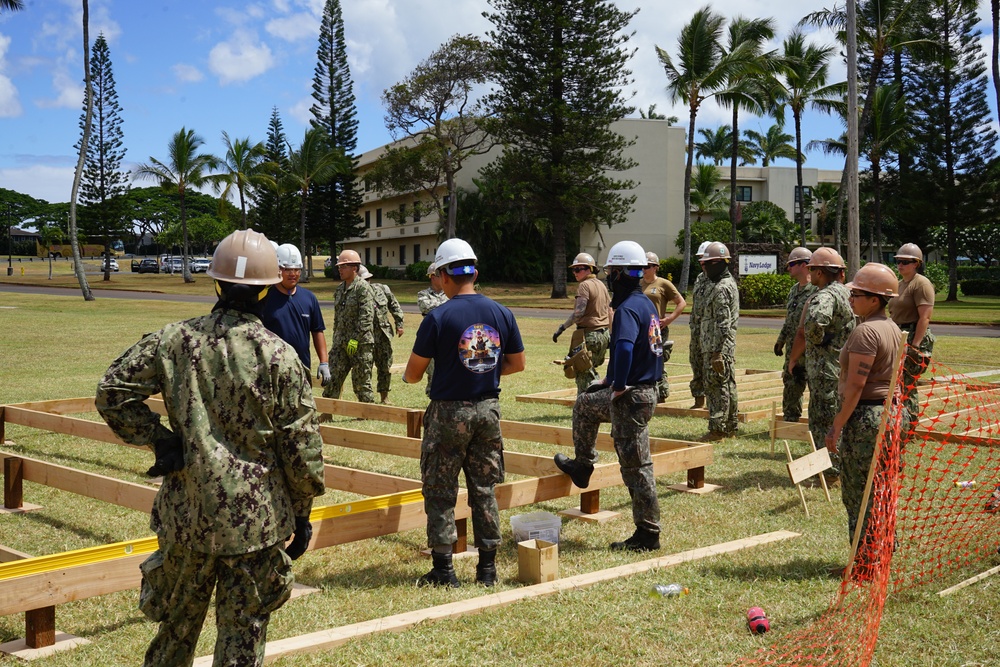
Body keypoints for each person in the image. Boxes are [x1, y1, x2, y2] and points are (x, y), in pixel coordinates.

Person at [95, 229, 326, 667]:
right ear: (265, 290)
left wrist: (161, 439)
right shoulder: (279, 356)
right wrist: (302, 511)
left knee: (174, 635)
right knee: (243, 639)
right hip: (256, 526)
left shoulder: (173, 341)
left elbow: (112, 392)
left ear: (216, 284)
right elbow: (301, 446)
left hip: (187, 519)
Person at [403, 238, 526, 587]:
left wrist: (453, 370)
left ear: (443, 275)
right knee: (484, 488)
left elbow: (413, 374)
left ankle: (444, 571)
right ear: (474, 271)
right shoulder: (501, 313)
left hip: (448, 413)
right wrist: (480, 368)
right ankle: (487, 569)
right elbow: (517, 363)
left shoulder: (438, 317)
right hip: (489, 410)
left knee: (441, 488)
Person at [553, 240, 663, 552]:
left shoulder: (628, 308)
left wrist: (618, 385)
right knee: (586, 403)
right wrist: (607, 380)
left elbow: (626, 348)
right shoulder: (644, 304)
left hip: (632, 397)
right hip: (640, 391)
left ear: (619, 274)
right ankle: (583, 465)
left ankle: (648, 534)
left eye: (611, 271)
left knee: (636, 467)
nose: (609, 277)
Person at [825, 263, 901, 576]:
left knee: (860, 492)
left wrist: (837, 425)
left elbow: (856, 385)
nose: (851, 298)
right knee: (882, 486)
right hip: (888, 412)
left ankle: (864, 563)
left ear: (875, 300)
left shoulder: (866, 332)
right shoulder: (892, 327)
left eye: (857, 294)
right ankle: (882, 552)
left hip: (867, 417)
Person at [789, 247, 855, 481]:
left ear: (818, 272)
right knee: (838, 417)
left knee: (822, 420)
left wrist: (819, 339)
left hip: (825, 370)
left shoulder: (824, 296)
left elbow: (815, 324)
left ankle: (830, 470)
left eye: (813, 269)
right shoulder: (848, 293)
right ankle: (838, 466)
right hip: (843, 368)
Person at [261, 243, 330, 386]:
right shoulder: (264, 298)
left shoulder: (309, 298)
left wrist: (324, 362)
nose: (293, 274)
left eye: (297, 269)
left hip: (301, 369)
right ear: (277, 269)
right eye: (288, 269)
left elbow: (317, 331)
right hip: (271, 371)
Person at [888, 243, 935, 423]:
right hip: (898, 336)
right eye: (898, 260)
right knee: (896, 382)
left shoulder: (921, 284)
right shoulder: (899, 284)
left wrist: (915, 345)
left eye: (905, 262)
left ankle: (909, 424)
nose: (900, 265)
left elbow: (925, 317)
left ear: (916, 263)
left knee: (906, 383)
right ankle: (901, 422)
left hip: (913, 335)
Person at [552, 252, 612, 394]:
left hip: (590, 335)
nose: (575, 273)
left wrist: (562, 328)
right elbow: (611, 310)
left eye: (578, 269)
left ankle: (589, 405)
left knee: (583, 372)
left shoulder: (584, 286)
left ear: (589, 269)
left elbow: (578, 313)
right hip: (604, 335)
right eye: (573, 269)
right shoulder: (601, 285)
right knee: (589, 369)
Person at [698, 242, 740, 440]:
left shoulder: (721, 288)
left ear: (717, 263)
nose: (704, 268)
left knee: (717, 388)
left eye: (707, 264)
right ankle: (730, 426)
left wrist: (716, 352)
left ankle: (718, 429)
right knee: (727, 385)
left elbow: (723, 323)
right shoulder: (728, 283)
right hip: (722, 346)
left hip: (717, 347)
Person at [323, 249, 376, 403]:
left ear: (354, 268)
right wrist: (336, 338)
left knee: (361, 380)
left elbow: (366, 317)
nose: (340, 269)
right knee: (333, 377)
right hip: (341, 342)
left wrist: (355, 339)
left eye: (343, 266)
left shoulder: (363, 288)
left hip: (360, 344)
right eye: (339, 266)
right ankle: (327, 412)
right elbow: (337, 318)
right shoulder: (339, 289)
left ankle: (365, 412)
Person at [773, 247, 816, 422]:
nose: (788, 268)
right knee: (791, 385)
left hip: (811, 350)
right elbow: (790, 320)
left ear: (804, 265)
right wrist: (780, 341)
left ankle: (817, 424)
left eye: (792, 264)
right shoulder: (793, 290)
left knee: (816, 387)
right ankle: (790, 419)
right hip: (793, 349)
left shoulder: (816, 290)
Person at [641, 251, 685, 402]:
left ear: (656, 267)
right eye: (642, 266)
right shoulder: (638, 284)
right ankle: (647, 390)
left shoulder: (663, 284)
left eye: (648, 266)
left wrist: (669, 319)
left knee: (657, 359)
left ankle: (662, 392)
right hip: (640, 328)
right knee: (643, 360)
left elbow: (681, 302)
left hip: (657, 328)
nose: (644, 269)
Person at [358, 265, 405, 404]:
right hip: (364, 337)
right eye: (362, 280)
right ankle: (366, 401)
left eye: (367, 280)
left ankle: (384, 397)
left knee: (385, 366)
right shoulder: (354, 295)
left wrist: (399, 323)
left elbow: (394, 305)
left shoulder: (382, 289)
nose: (366, 283)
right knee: (364, 369)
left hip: (383, 335)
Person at [416, 261, 449, 396]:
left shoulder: (451, 293)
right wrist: (447, 306)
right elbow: (426, 307)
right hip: (431, 337)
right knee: (432, 369)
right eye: (439, 275)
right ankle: (432, 395)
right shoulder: (423, 294)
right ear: (433, 277)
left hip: (448, 335)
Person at [688, 241, 713, 409]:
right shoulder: (699, 278)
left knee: (711, 367)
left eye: (704, 259)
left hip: (711, 333)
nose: (701, 262)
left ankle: (713, 401)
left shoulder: (718, 280)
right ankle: (698, 399)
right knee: (696, 362)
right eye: (700, 259)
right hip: (697, 330)